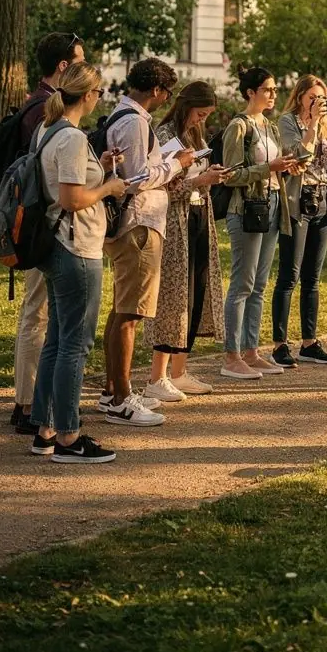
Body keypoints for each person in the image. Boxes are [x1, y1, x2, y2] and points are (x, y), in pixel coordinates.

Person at [29, 62, 125, 464]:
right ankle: (69, 436)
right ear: (87, 95)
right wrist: (109, 186)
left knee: (56, 339)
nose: (99, 97)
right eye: (99, 92)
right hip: (75, 246)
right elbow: (70, 199)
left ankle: (46, 429)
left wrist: (97, 165)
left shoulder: (48, 130)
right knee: (74, 344)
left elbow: (63, 184)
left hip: (57, 245)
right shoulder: (68, 137)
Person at [100, 58, 195, 426]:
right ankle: (121, 398)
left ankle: (113, 391)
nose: (165, 99)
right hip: (140, 224)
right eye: (166, 92)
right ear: (156, 90)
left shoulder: (121, 115)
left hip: (134, 223)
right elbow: (138, 177)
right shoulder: (136, 122)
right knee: (130, 315)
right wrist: (178, 164)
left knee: (123, 310)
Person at [11, 31, 85, 434]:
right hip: (44, 226)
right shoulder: (43, 109)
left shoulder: (39, 105)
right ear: (63, 67)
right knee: (38, 314)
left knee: (42, 314)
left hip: (42, 222)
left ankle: (35, 404)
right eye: (79, 60)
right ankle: (28, 404)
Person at [143, 81, 230, 400]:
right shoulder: (164, 135)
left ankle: (179, 371)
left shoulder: (196, 135)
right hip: (174, 223)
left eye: (207, 115)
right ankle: (157, 376)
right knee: (173, 297)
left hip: (197, 217)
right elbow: (159, 185)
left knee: (194, 293)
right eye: (200, 113)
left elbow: (196, 180)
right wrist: (198, 180)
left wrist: (212, 178)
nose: (201, 119)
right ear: (186, 107)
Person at [271, 75, 327, 367]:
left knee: (312, 279)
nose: (318, 103)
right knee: (289, 276)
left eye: (322, 98)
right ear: (300, 97)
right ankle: (280, 345)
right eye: (312, 98)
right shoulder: (287, 122)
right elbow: (296, 155)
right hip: (297, 203)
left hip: (323, 202)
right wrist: (313, 125)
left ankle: (309, 342)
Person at [220, 66, 297, 379]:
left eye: (275, 90)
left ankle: (251, 352)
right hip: (246, 209)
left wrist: (285, 168)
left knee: (260, 285)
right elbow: (230, 175)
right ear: (250, 92)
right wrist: (268, 168)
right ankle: (231, 356)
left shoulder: (270, 126)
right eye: (267, 90)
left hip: (272, 205)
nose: (273, 95)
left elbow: (272, 167)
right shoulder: (239, 127)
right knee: (242, 283)